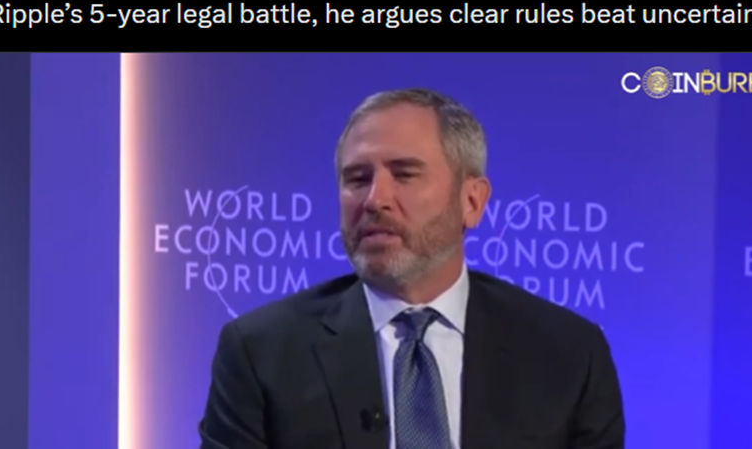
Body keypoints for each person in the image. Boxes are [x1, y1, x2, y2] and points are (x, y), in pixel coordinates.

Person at [199, 88, 625, 449]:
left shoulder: (569, 354)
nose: (375, 200)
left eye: (404, 174)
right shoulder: (260, 353)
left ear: (471, 201)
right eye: (357, 178)